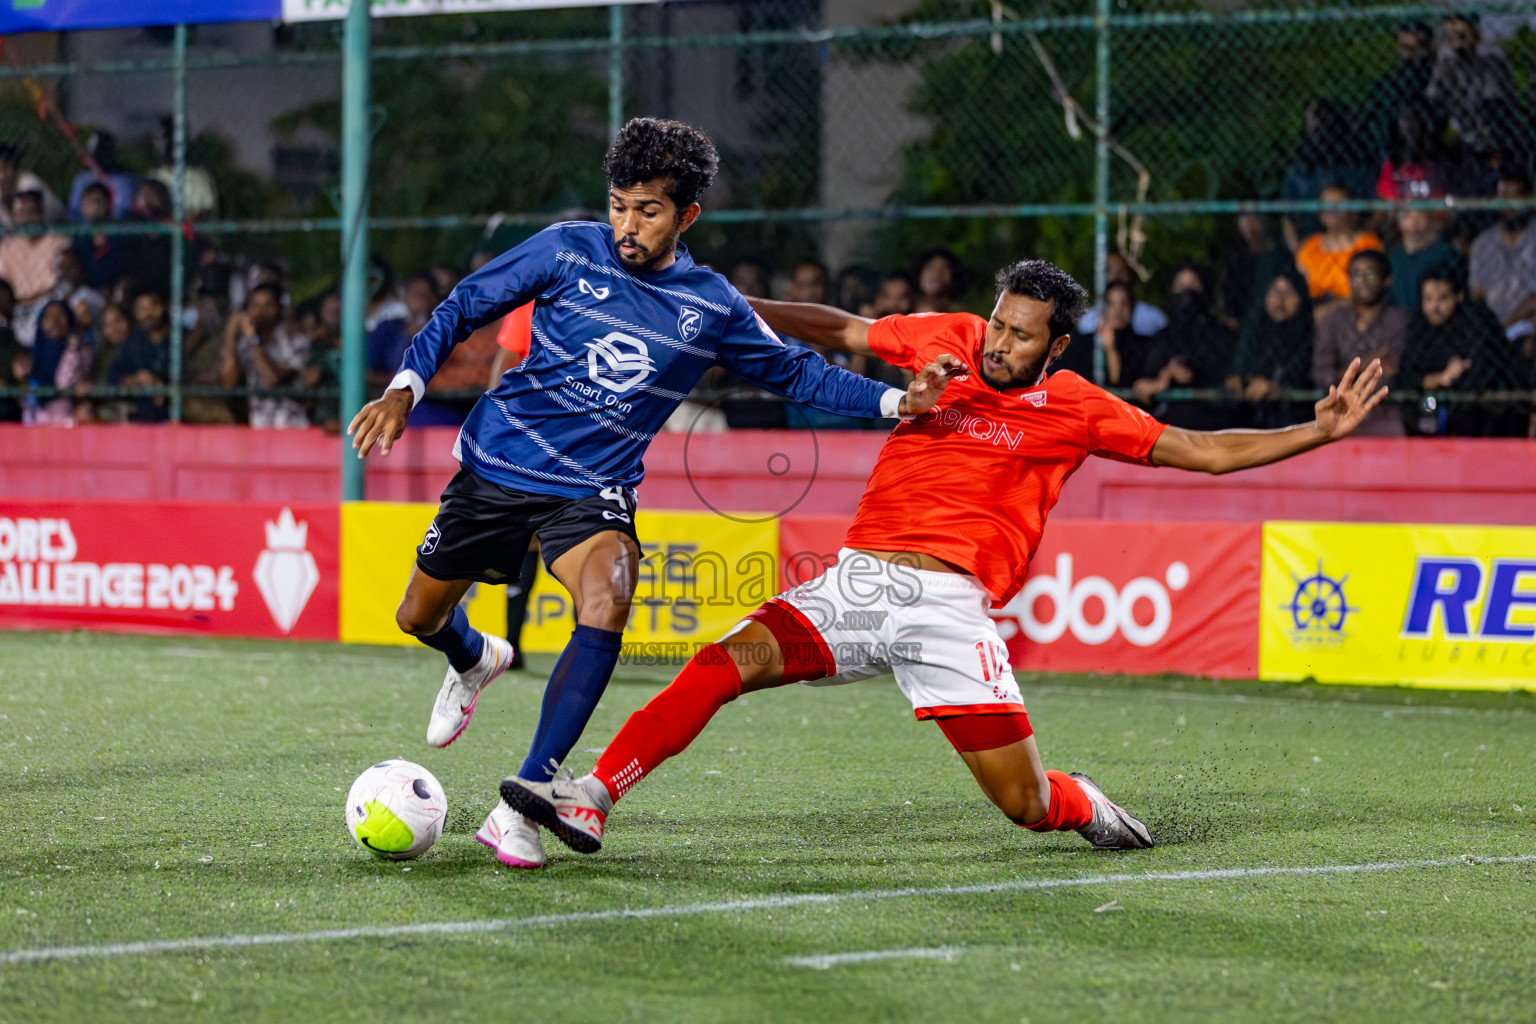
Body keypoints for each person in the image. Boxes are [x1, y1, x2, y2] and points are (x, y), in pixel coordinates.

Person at [497, 258, 1388, 861]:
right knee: (718, 668)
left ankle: (1086, 805)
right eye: (999, 324)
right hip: (857, 582)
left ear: (1058, 345)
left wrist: (1318, 429)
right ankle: (595, 796)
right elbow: (842, 331)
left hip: (950, 611)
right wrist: (723, 306)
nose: (1000, 343)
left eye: (1022, 334)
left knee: (1025, 807)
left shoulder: (1077, 406)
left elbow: (1201, 449)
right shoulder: (946, 338)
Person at [345, 118, 951, 871]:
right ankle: (473, 656)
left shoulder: (711, 304)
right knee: (417, 615)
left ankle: (526, 799)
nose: (628, 225)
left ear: (687, 216)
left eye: (649, 211)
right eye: (619, 205)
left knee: (610, 596)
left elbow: (797, 372)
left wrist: (899, 405)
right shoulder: (568, 248)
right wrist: (404, 389)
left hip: (591, 491)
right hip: (498, 467)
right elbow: (465, 304)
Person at [1403, 269, 1525, 436]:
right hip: (1431, 404)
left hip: (1482, 409)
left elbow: (1491, 368)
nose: (1435, 306)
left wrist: (1457, 374)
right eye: (1428, 299)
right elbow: (1408, 375)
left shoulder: (1475, 322)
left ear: (1458, 297)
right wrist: (1438, 378)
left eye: (1443, 298)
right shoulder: (1418, 328)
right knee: (1423, 407)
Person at [1312, 250, 1407, 436]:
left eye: (1370, 274)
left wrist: (1342, 374)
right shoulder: (1334, 320)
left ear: (1385, 280)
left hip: (1386, 415)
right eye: (1356, 274)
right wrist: (1365, 363)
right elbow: (1321, 374)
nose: (1362, 280)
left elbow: (1391, 373)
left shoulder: (1399, 321)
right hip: (1339, 413)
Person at [1133, 263, 1237, 430]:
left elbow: (1233, 377)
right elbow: (1141, 388)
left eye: (1193, 284)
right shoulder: (1164, 338)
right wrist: (1165, 376)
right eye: (1181, 286)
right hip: (1173, 429)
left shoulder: (1222, 335)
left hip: (1217, 423)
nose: (1188, 293)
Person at [1229, 269, 1315, 427]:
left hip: (1296, 418)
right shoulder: (1252, 333)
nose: (1280, 300)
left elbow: (1304, 374)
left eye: (1288, 293)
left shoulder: (1310, 336)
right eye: (1274, 292)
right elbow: (1235, 373)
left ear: (1301, 299)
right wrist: (1244, 381)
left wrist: (1276, 386)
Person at [1426, 13, 1516, 157]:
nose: (1454, 38)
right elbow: (1434, 94)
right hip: (1458, 127)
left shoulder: (1489, 58)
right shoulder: (1447, 61)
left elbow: (1492, 99)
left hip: (1488, 127)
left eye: (1460, 33)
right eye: (1450, 33)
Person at [220, 282, 309, 428]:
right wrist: (230, 337)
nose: (260, 312)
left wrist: (251, 337)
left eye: (267, 305)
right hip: (258, 428)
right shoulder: (245, 344)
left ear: (279, 308)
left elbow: (271, 379)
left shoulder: (295, 341)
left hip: (290, 428)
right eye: (255, 305)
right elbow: (228, 383)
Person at [1293, 185, 1384, 321]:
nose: (1332, 210)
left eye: (1338, 204)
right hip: (1313, 312)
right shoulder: (1309, 247)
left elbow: (1373, 288)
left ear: (1353, 212)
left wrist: (1332, 309)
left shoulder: (1367, 244)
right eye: (1326, 205)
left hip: (1356, 313)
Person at [1468, 168, 1536, 340]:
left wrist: (1505, 325)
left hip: (1527, 326)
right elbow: (1476, 293)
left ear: (1528, 199)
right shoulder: (1483, 243)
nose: (1508, 206)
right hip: (1490, 329)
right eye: (1503, 198)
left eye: (1514, 197)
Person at [107, 289, 173, 423]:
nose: (148, 313)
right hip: (142, 421)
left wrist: (162, 386)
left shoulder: (180, 339)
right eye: (142, 309)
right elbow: (112, 376)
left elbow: (192, 378)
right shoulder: (135, 342)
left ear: (164, 306)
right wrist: (134, 379)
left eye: (153, 306)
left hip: (175, 418)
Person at [1074, 251, 1168, 336]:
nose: (1116, 276)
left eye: (1121, 270)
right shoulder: (1087, 320)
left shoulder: (1153, 317)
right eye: (1110, 271)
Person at [1387, 204, 1462, 310]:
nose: (1414, 222)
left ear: (1430, 219)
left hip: (1433, 314)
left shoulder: (1444, 251)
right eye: (1407, 216)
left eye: (1420, 215)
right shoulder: (1394, 256)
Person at [912, 247, 965, 313]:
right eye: (931, 267)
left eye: (944, 268)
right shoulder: (904, 308)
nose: (936, 273)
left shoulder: (960, 315)